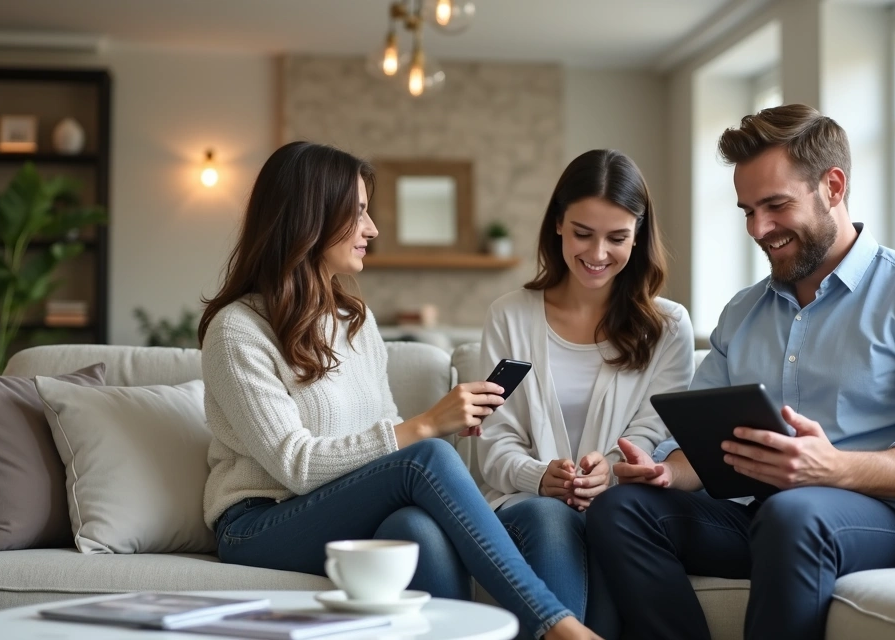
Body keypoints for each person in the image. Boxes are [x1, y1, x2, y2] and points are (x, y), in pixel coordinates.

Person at [586, 104, 895, 640]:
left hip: (878, 523)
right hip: (764, 516)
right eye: (747, 210)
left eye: (776, 205)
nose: (760, 228)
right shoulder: (743, 312)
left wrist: (832, 467)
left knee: (794, 513)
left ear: (833, 186)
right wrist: (669, 472)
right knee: (619, 509)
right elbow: (702, 447)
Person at [198, 141, 596, 640]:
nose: (373, 230)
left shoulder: (354, 324)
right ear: (309, 218)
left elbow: (382, 449)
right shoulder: (238, 331)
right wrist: (426, 426)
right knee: (424, 455)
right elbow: (296, 467)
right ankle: (560, 626)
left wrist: (446, 426)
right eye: (358, 213)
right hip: (259, 523)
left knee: (418, 531)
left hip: (342, 507)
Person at [477, 150, 694, 637]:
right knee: (555, 519)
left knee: (609, 525)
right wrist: (539, 477)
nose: (597, 254)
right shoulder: (510, 317)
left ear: (638, 235)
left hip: (618, 509)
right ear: (557, 224)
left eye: (617, 238)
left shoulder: (668, 326)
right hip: (524, 504)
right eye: (582, 233)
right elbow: (493, 440)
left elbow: (654, 433)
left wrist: (611, 472)